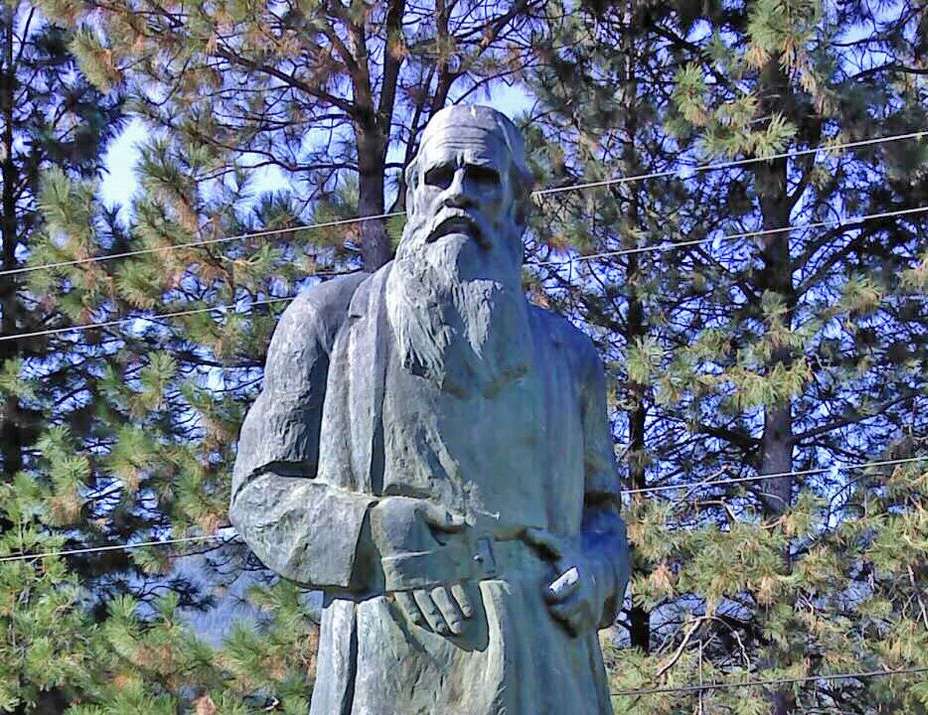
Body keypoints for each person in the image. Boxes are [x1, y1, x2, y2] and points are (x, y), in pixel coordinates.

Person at [231, 104, 630, 714]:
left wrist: (597, 575)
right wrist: (376, 533)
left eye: (482, 178)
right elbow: (259, 495)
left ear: (518, 201)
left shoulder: (569, 356)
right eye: (439, 176)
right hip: (393, 667)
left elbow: (602, 517)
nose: (458, 194)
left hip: (550, 669)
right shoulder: (332, 323)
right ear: (411, 193)